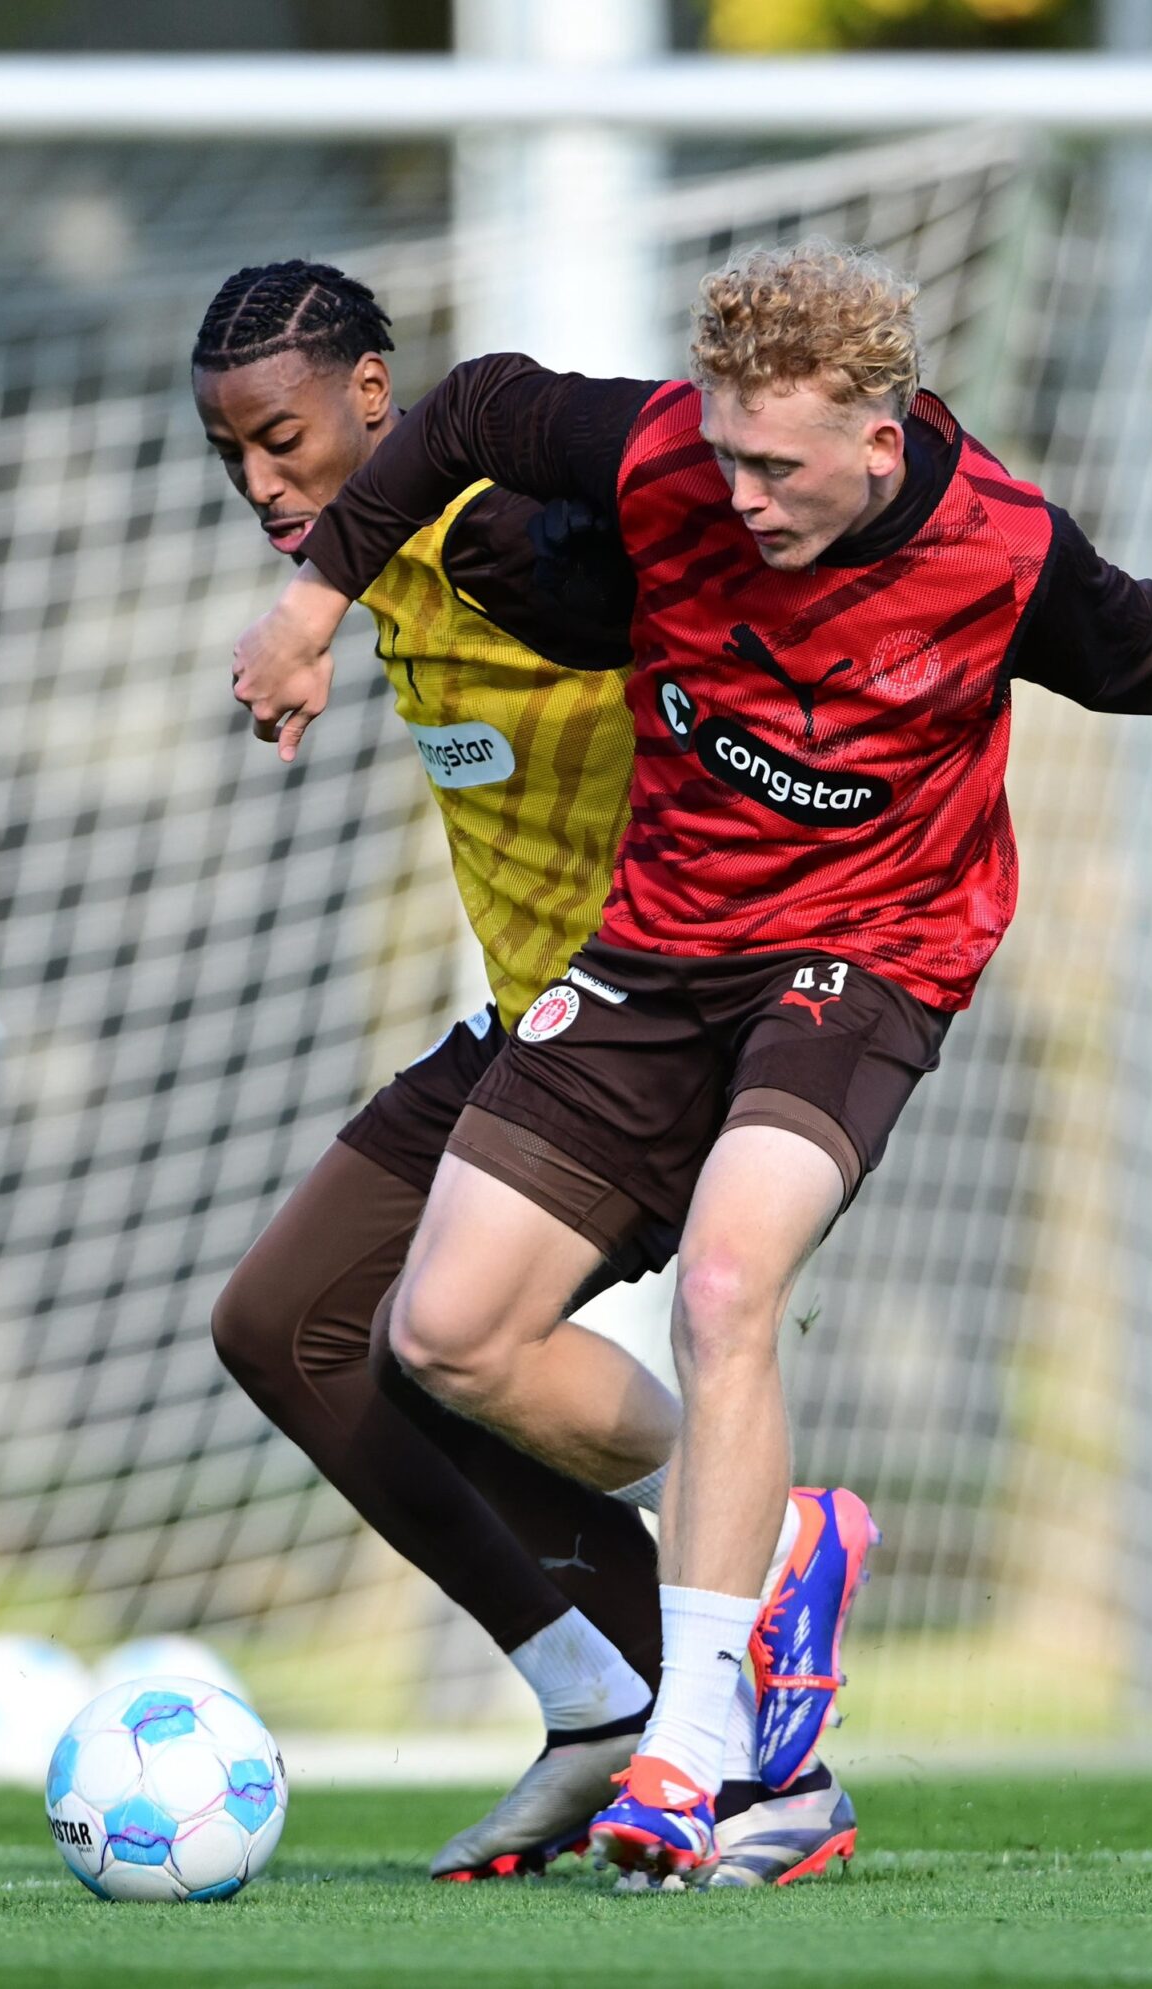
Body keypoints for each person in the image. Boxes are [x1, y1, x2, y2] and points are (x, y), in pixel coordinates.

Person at [231, 240, 1152, 1885]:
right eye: (721, 449)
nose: (736, 491)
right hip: (659, 954)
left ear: (880, 443)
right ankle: (765, 1551)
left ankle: (686, 1750)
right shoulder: (664, 459)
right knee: (437, 1333)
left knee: (731, 1286)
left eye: (776, 462)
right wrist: (314, 606)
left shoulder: (1000, 551)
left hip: (867, 958)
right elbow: (472, 410)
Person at [195, 259, 856, 1888]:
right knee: (287, 1323)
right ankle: (599, 1697)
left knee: (450, 1336)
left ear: (372, 395)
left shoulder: (518, 533)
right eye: (232, 458)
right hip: (522, 1021)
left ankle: (761, 1553)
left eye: (285, 439)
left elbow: (679, 531)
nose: (264, 483)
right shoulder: (380, 566)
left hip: (659, 1026)